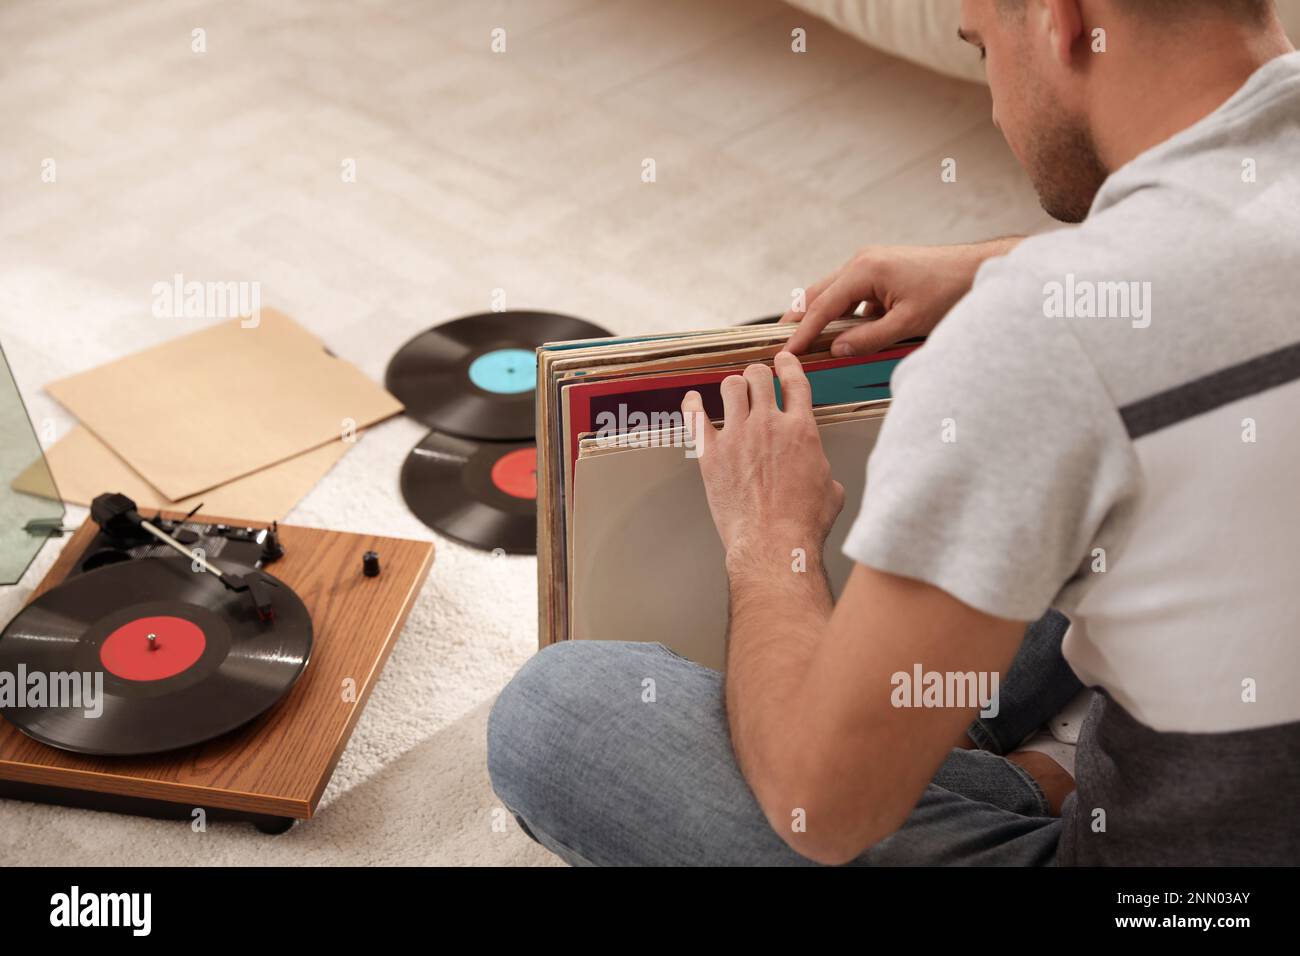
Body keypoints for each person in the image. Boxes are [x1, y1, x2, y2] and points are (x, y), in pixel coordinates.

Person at [488, 0, 1300, 865]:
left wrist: (772, 541)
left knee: (555, 712)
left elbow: (820, 812)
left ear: (1061, 20)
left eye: (983, 47)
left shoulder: (1039, 347)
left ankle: (955, 758)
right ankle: (1014, 762)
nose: (994, 106)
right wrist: (1009, 265)